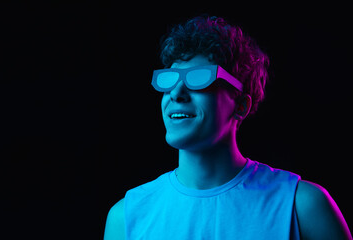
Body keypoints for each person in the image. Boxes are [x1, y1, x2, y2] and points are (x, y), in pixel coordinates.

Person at [104, 15, 352, 240]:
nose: (176, 93)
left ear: (241, 105)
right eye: (170, 80)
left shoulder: (301, 206)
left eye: (199, 79)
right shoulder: (126, 217)